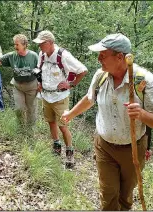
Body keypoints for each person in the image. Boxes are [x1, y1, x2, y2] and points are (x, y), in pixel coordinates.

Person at [61, 33, 153, 210]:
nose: (98, 59)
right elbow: (89, 99)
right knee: (108, 194)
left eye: (103, 55)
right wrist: (70, 114)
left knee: (125, 196)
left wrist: (141, 114)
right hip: (105, 146)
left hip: (133, 149)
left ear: (120, 57)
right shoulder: (101, 76)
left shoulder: (144, 81)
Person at [33, 30, 88, 168]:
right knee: (51, 122)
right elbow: (39, 70)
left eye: (42, 43)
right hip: (46, 95)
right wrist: (39, 83)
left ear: (50, 42)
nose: (39, 46)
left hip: (60, 97)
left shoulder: (63, 55)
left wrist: (71, 84)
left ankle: (69, 154)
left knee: (63, 126)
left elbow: (83, 70)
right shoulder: (42, 55)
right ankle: (56, 146)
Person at [0, 34, 39, 132]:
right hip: (18, 86)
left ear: (24, 45)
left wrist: (41, 84)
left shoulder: (33, 56)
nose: (15, 47)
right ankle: (21, 129)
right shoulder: (12, 55)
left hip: (31, 86)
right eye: (14, 44)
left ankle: (30, 131)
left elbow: (41, 69)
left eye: (17, 45)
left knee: (31, 109)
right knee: (19, 109)